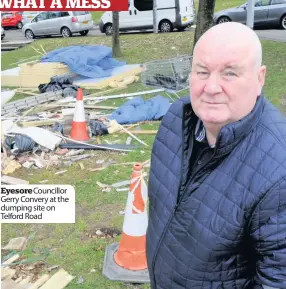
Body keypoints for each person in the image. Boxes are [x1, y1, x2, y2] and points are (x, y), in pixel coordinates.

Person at [146, 22, 286, 289]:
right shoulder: (177, 119)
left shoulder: (279, 172)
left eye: (229, 73)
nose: (211, 87)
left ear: (260, 78)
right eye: (202, 71)